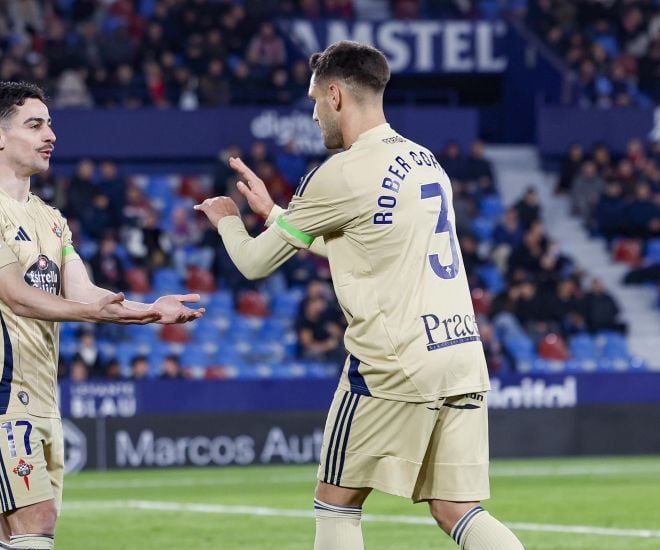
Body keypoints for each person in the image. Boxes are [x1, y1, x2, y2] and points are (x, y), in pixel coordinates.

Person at [195, 41, 524, 550]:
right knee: (457, 509)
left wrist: (228, 222)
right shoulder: (424, 160)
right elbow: (366, 249)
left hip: (392, 363)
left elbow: (254, 263)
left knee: (336, 502)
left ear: (335, 95)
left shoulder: (341, 172)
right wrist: (275, 214)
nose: (313, 114)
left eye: (313, 101)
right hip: (459, 353)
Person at [0, 81, 203, 550]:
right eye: (35, 124)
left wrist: (150, 310)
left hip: (44, 398)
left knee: (20, 531)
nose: (51, 135)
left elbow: (84, 291)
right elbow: (15, 295)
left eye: (50, 123)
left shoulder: (50, 217)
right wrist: (89, 312)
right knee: (35, 523)